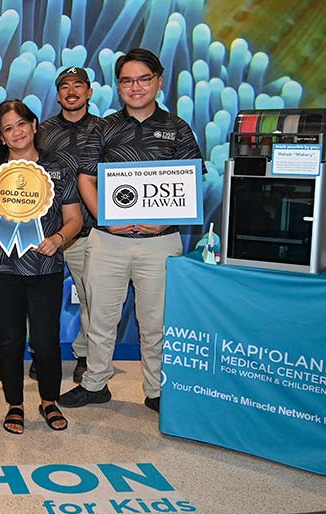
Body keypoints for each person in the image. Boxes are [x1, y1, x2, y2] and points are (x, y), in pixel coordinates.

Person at [58, 48, 206, 413]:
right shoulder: (103, 127)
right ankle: (95, 384)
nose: (135, 87)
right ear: (118, 85)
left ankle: (157, 391)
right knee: (100, 318)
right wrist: (106, 218)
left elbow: (193, 183)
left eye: (143, 79)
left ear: (158, 81)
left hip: (160, 241)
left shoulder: (178, 128)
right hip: (108, 241)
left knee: (155, 322)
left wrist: (168, 220)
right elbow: (86, 179)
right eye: (127, 80)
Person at [0, 100, 82, 434]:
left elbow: (75, 218)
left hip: (45, 266)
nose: (16, 132)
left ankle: (49, 400)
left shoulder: (59, 168)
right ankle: (14, 404)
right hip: (1, 268)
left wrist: (58, 239)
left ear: (34, 126)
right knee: (9, 339)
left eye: (21, 124)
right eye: (8, 128)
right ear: (1, 138)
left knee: (47, 340)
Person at [37, 67, 104, 384]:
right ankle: (42, 353)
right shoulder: (44, 131)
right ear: (58, 94)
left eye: (78, 85)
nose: (72, 91)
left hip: (88, 232)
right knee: (39, 300)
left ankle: (85, 356)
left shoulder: (107, 130)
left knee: (91, 297)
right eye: (65, 86)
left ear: (89, 92)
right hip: (47, 233)